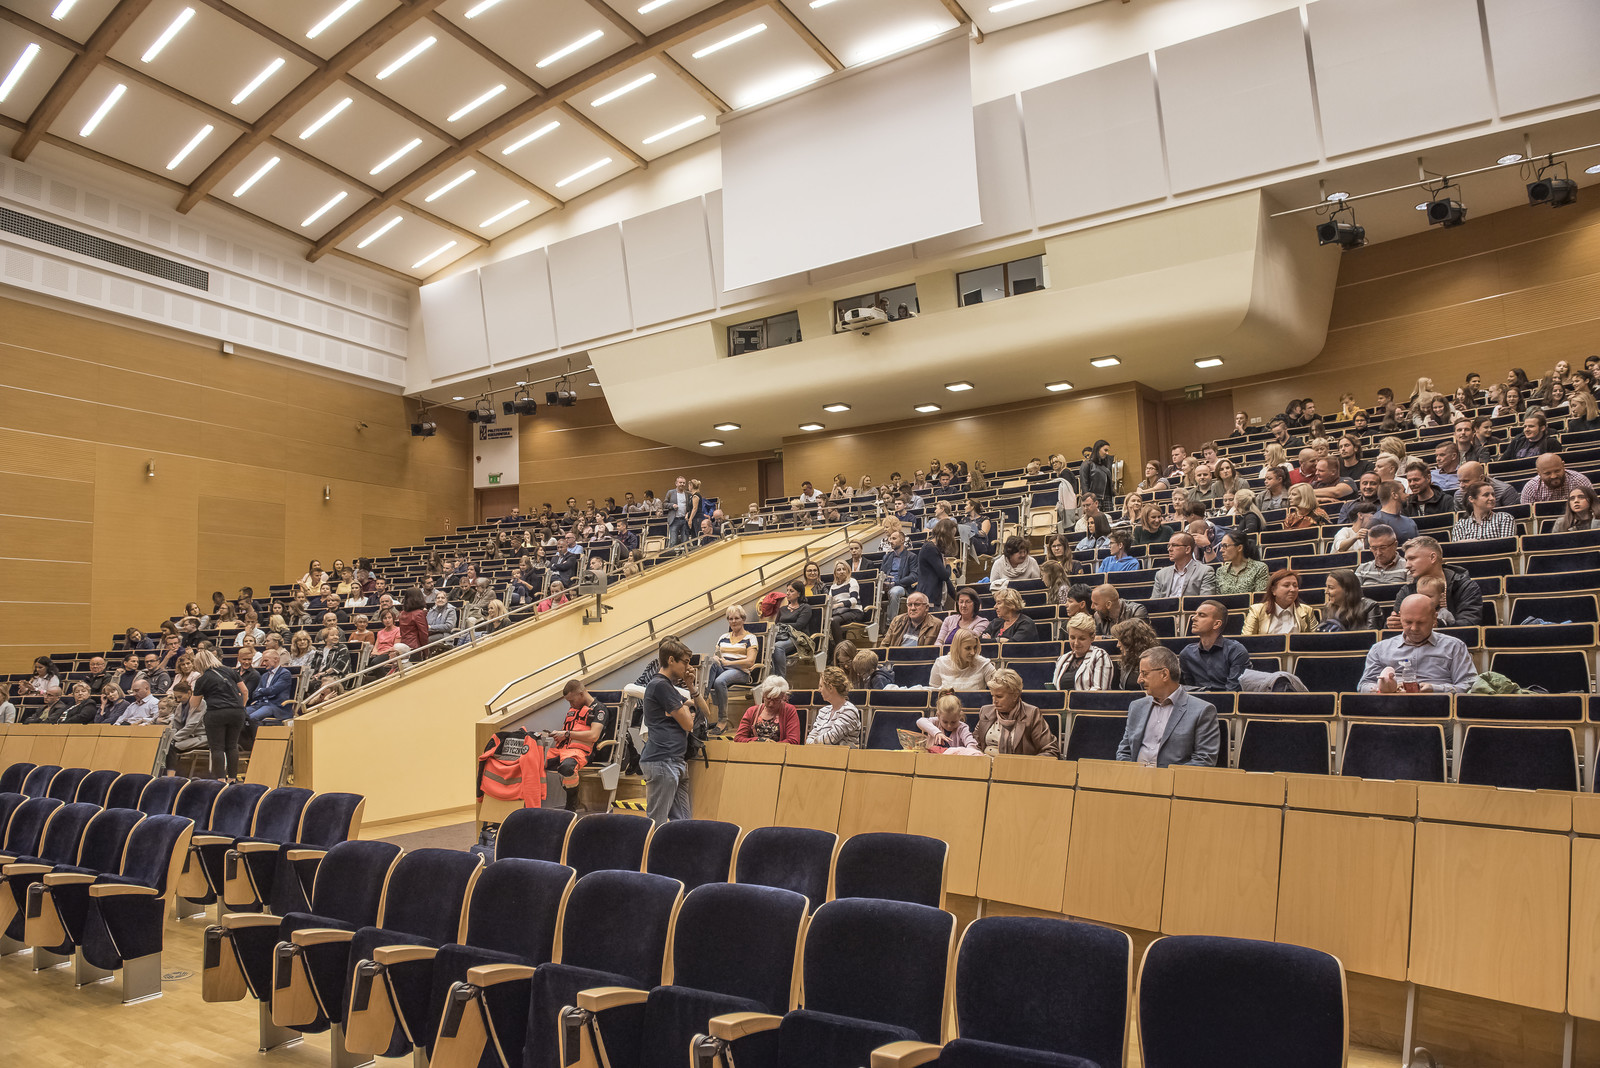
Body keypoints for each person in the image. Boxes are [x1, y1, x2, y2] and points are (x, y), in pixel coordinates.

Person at [1117, 646, 1219, 767]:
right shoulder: (1136, 707)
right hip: (1134, 777)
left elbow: (1204, 759)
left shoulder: (1202, 711)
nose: (1139, 680)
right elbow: (1124, 751)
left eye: (1144, 673)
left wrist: (1167, 776)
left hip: (1174, 778)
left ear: (1164, 674)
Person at [1360, 594, 1478, 693]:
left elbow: (1469, 685)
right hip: (1391, 707)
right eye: (1408, 622)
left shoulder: (1454, 646)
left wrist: (1435, 689)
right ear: (1400, 617)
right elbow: (1364, 685)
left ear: (1434, 618)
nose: (1414, 628)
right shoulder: (1379, 649)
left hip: (1437, 706)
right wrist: (1382, 688)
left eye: (1421, 622)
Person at [640, 637, 698, 826]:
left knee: (683, 825)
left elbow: (699, 710)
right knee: (656, 824)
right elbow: (688, 723)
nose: (688, 668)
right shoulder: (660, 685)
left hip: (674, 760)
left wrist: (690, 689)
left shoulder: (668, 687)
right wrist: (687, 709)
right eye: (685, 662)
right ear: (671, 660)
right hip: (662, 760)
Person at [1385, 536, 1483, 627]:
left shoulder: (1466, 587)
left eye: (1412, 558)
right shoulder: (1407, 591)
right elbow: (1395, 625)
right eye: (1406, 560)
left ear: (1433, 557)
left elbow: (1469, 624)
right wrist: (1393, 624)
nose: (1407, 565)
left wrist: (1440, 624)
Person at [547, 680, 608, 808]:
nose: (571, 704)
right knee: (532, 761)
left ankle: (572, 805)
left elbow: (594, 735)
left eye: (571, 700)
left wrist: (567, 734)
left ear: (581, 694)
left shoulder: (599, 710)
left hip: (581, 752)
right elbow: (568, 732)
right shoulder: (574, 710)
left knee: (567, 767)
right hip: (562, 750)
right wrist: (558, 735)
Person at [190, 648, 248, 781]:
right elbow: (245, 691)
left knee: (217, 748)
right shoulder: (230, 671)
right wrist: (241, 707)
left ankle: (220, 780)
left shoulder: (203, 678)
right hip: (237, 712)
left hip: (216, 713)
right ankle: (232, 779)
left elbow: (194, 704)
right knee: (232, 746)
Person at [974, 669, 1059, 757]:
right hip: (985, 762)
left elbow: (1051, 750)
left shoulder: (1031, 714)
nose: (994, 701)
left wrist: (1026, 764)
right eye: (992, 696)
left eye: (999, 696)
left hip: (1018, 764)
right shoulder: (985, 711)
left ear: (1015, 696)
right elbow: (974, 745)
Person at [708, 606, 760, 734]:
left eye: (736, 618)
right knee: (710, 663)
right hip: (723, 669)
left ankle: (722, 721)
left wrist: (730, 663)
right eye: (730, 619)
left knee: (719, 681)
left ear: (743, 619)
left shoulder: (750, 638)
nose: (733, 621)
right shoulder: (723, 637)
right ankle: (701, 706)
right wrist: (716, 659)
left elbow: (750, 661)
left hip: (741, 672)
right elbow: (716, 655)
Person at [1180, 600, 1251, 692]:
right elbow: (1187, 689)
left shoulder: (1236, 651)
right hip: (1198, 700)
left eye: (1202, 615)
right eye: (1195, 614)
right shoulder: (1187, 653)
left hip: (1227, 700)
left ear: (1216, 624)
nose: (1193, 618)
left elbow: (1233, 692)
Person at [1242, 569, 1319, 634]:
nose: (1292, 589)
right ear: (1273, 590)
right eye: (1286, 585)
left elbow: (1317, 640)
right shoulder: (1257, 611)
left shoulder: (1307, 611)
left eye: (1295, 586)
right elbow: (1246, 640)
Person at [1052, 612, 1115, 691]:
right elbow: (1055, 690)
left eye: (1082, 638)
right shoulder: (1062, 659)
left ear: (1092, 638)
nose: (1076, 643)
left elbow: (1099, 691)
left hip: (1087, 699)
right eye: (1072, 637)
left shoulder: (1100, 656)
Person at [736, 675, 803, 743]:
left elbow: (793, 740)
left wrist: (772, 746)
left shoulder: (789, 710)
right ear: (763, 695)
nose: (771, 704)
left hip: (779, 749)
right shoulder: (751, 711)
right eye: (768, 698)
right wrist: (758, 741)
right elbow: (738, 738)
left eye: (776, 700)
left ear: (783, 697)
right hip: (754, 749)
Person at [807, 666, 862, 747]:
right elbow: (810, 737)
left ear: (830, 688)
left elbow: (831, 739)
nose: (819, 690)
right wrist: (812, 743)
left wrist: (813, 743)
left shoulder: (849, 711)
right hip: (820, 753)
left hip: (842, 754)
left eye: (821, 686)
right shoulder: (823, 711)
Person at [1152, 533, 1217, 598]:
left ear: (1187, 549)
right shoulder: (1161, 574)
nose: (1169, 549)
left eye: (1174, 545)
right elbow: (1154, 601)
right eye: (1168, 546)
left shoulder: (1205, 571)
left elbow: (1206, 601)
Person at [917, 691, 982, 755]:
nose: (949, 726)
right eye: (945, 722)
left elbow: (971, 743)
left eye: (953, 722)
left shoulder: (962, 728)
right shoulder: (935, 722)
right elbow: (920, 721)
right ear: (938, 716)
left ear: (959, 716)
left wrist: (971, 752)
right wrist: (937, 733)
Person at [929, 629, 996, 690]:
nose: (973, 652)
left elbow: (998, 687)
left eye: (975, 647)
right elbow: (934, 694)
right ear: (957, 647)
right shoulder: (940, 663)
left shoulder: (983, 664)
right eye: (968, 648)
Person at [245, 649, 295, 725]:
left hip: (276, 706)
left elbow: (273, 690)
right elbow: (255, 693)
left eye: (266, 661)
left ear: (276, 659)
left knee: (252, 717)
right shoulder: (264, 675)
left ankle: (256, 733)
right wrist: (263, 691)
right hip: (261, 704)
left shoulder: (285, 674)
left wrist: (261, 690)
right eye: (263, 661)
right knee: (240, 714)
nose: (263, 663)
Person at [918, 518, 959, 610]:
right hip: (929, 598)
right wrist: (948, 566)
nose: (952, 539)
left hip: (935, 598)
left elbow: (945, 579)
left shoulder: (936, 550)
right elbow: (944, 575)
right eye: (951, 535)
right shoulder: (930, 548)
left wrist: (957, 598)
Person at [1522, 452, 1594, 504]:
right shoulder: (1531, 488)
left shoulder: (1580, 481)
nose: (1553, 476)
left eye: (1557, 471)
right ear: (1539, 472)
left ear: (1563, 465)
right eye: (1547, 473)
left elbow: (1593, 506)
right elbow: (1527, 518)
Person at [878, 528, 917, 620]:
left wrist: (896, 583)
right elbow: (881, 573)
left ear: (902, 540)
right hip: (886, 586)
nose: (891, 541)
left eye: (894, 538)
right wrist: (884, 583)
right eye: (890, 539)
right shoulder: (887, 557)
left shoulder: (911, 557)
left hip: (902, 586)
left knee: (894, 592)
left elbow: (914, 576)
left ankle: (891, 623)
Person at [1111, 617, 1160, 690]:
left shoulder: (1156, 663)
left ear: (1130, 641)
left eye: (1120, 641)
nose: (1117, 645)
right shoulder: (1125, 662)